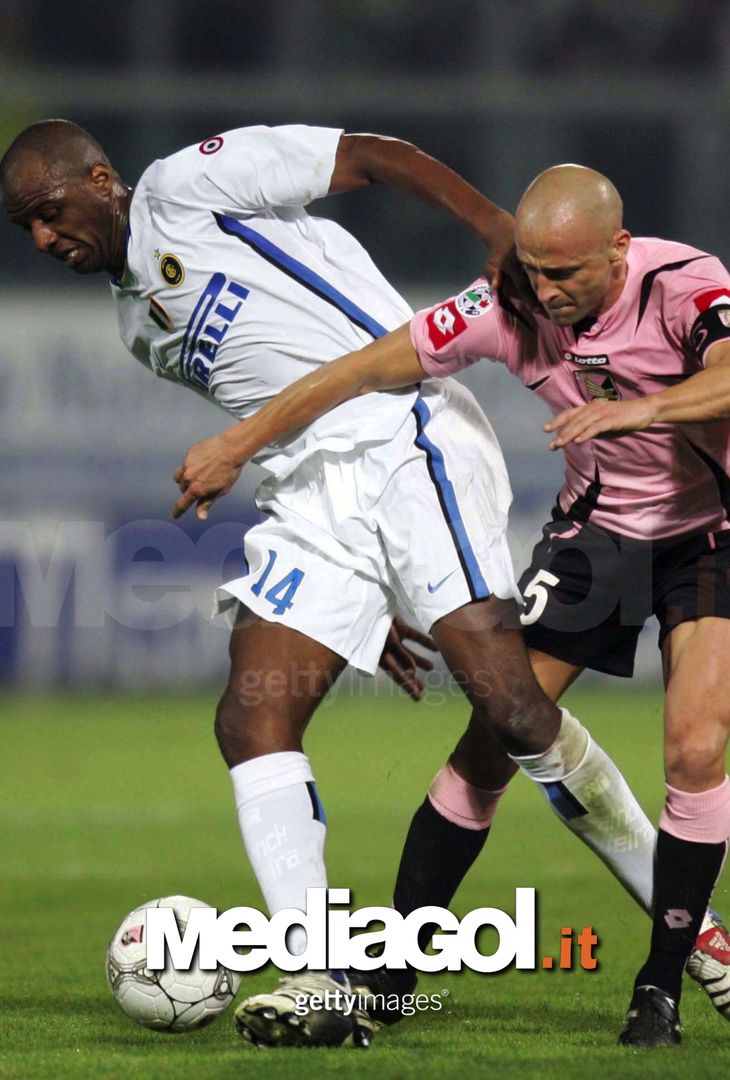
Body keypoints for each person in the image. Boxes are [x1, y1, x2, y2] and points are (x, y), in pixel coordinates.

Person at [0, 124, 696, 1049]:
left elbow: (370, 154)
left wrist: (492, 224)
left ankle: (701, 939)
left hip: (401, 430)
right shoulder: (138, 325)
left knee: (516, 713)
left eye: (49, 214)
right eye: (26, 231)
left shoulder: (186, 186)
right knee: (251, 716)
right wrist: (374, 594)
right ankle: (320, 972)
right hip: (312, 491)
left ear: (100, 180)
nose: (46, 240)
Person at [171, 164, 730, 1049]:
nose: (544, 290)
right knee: (500, 731)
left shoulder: (683, 285)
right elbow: (362, 367)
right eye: (534, 269)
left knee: (696, 744)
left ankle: (666, 982)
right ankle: (388, 980)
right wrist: (240, 441)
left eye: (566, 275)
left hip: (712, 531)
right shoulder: (508, 305)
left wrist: (644, 411)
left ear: (618, 250)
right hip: (599, 542)